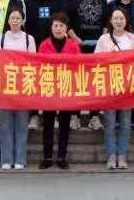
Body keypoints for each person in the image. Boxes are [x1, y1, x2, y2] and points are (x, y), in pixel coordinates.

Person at [94, 8, 134, 170]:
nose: (119, 21)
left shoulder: (133, 39)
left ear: (126, 20)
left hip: (127, 86)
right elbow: (96, 61)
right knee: (110, 122)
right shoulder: (104, 39)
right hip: (109, 86)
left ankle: (122, 155)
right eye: (116, 18)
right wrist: (109, 57)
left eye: (121, 18)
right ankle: (111, 155)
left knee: (126, 123)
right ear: (111, 21)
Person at [64, 0, 108, 131]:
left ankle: (94, 116)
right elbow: (65, 21)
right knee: (76, 81)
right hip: (76, 47)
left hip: (97, 48)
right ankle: (74, 115)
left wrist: (102, 39)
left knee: (95, 82)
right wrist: (75, 38)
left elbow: (106, 22)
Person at [38, 12, 81, 170]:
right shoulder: (44, 45)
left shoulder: (73, 45)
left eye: (61, 26)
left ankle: (62, 157)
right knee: (48, 124)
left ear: (66, 28)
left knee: (64, 124)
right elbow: (38, 66)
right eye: (55, 25)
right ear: (51, 27)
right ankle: (47, 157)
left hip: (66, 87)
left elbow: (79, 66)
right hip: (49, 87)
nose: (58, 29)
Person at [23, 0, 65, 131]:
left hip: (53, 47)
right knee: (34, 81)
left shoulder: (59, 0)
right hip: (33, 47)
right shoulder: (28, 1)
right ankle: (34, 115)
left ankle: (53, 115)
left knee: (52, 82)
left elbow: (62, 23)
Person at [0, 9, 36, 170]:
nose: (15, 21)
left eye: (18, 18)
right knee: (5, 124)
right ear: (8, 21)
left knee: (21, 124)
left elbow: (33, 62)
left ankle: (20, 159)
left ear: (23, 21)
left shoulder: (29, 39)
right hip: (5, 85)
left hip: (23, 85)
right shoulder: (1, 38)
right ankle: (6, 159)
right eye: (12, 18)